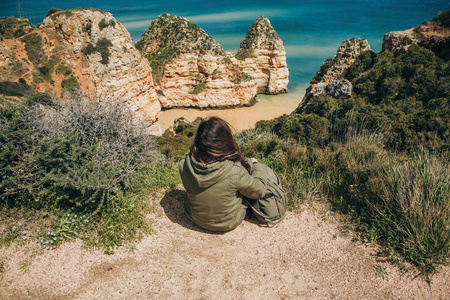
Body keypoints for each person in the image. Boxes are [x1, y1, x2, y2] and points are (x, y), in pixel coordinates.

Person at [179, 117, 286, 231]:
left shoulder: (184, 163)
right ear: (225, 141)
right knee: (260, 173)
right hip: (227, 223)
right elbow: (259, 191)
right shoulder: (234, 170)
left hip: (195, 217)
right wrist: (256, 165)